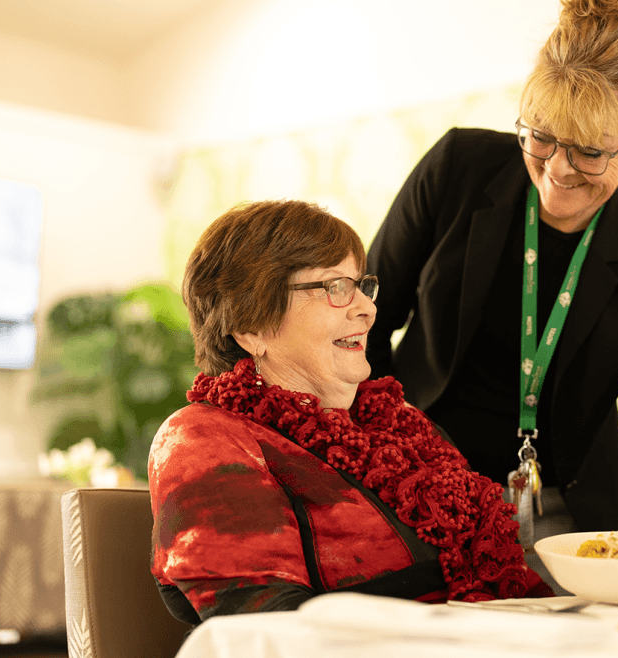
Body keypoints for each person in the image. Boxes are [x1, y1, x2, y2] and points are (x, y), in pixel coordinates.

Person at [365, 0, 618, 572]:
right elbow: (362, 322)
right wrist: (400, 447)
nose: (557, 170)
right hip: (422, 489)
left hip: (570, 517)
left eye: (590, 151)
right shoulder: (457, 171)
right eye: (541, 137)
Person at [149, 200, 551, 625]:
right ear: (251, 326)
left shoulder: (408, 426)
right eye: (333, 287)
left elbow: (515, 584)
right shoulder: (204, 436)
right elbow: (267, 632)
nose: (368, 308)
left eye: (361, 286)